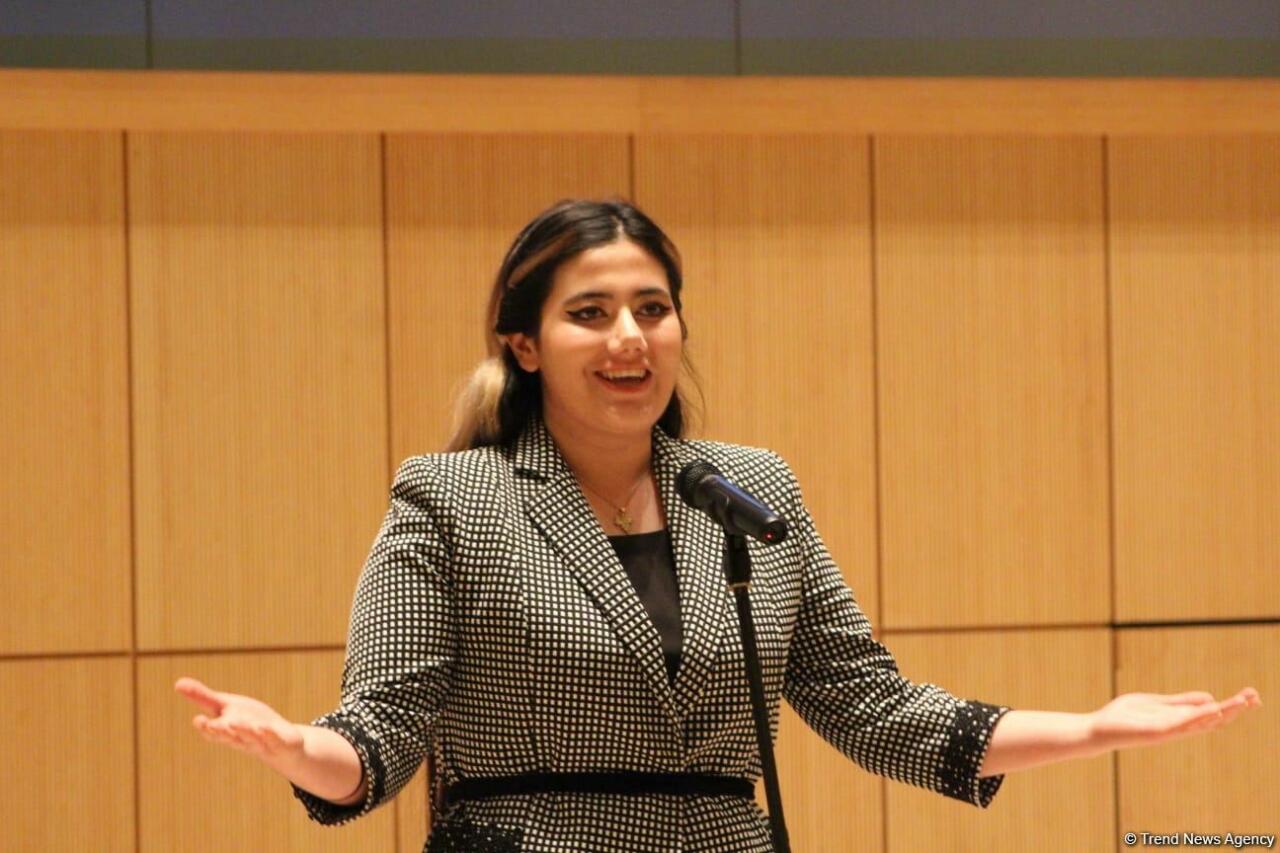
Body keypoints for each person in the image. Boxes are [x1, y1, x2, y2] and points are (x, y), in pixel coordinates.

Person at [176, 198, 1261, 852]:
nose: (630, 336)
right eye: (590, 313)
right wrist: (299, 749)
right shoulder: (451, 498)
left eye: (652, 308)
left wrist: (1093, 728)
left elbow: (870, 704)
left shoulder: (744, 487)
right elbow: (381, 730)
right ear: (523, 344)